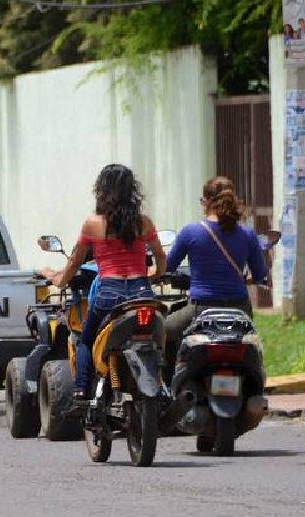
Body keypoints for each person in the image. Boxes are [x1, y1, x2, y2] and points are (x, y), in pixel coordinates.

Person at [42, 164, 165, 400]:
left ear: (101, 191)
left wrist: (59, 280)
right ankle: (163, 385)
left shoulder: (93, 224)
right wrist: (155, 273)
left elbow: (75, 263)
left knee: (86, 340)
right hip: (141, 293)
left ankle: (80, 389)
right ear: (132, 191)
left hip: (110, 293)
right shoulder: (144, 223)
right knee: (156, 338)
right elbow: (160, 257)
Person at [163, 176, 267, 383]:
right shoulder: (248, 234)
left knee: (164, 330)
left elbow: (167, 267)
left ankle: (168, 386)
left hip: (201, 309)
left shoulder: (190, 232)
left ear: (207, 202)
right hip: (240, 310)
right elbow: (260, 275)